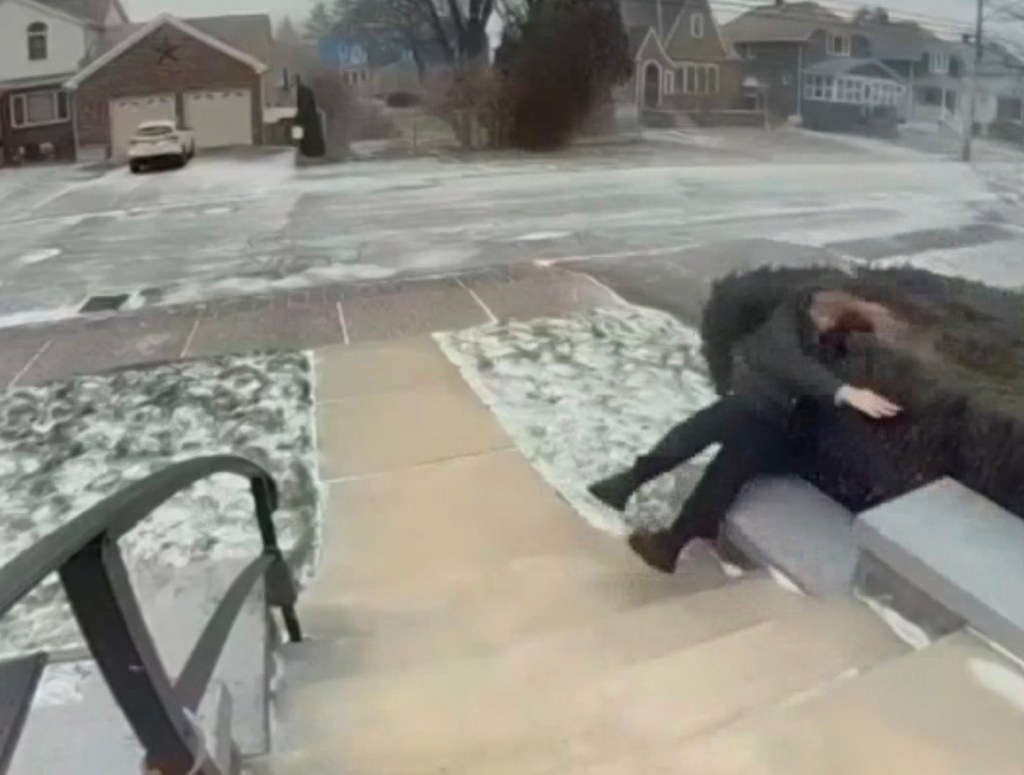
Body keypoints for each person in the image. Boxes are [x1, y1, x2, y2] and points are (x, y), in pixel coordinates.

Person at [588, 288, 904, 574]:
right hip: (753, 403)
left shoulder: (835, 339)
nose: (821, 325)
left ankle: (662, 529)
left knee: (721, 469)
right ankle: (641, 498)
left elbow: (810, 378)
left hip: (770, 419)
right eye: (820, 319)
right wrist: (847, 392)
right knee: (700, 437)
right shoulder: (788, 317)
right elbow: (790, 363)